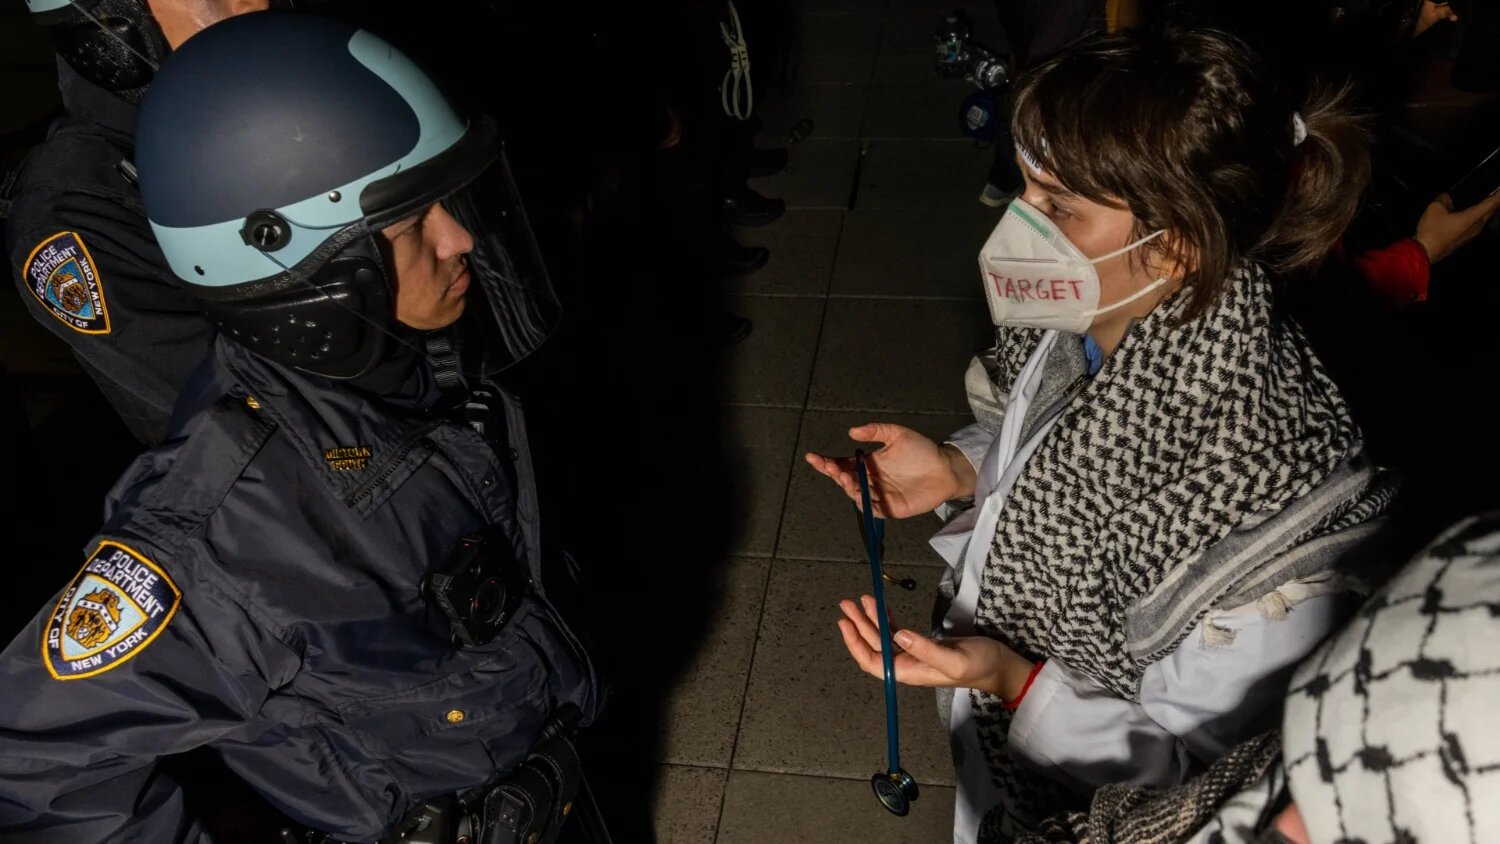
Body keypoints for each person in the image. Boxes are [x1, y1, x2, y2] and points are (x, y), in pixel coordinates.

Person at [0, 12, 595, 843]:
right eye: (411, 223)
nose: (461, 238)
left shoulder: (423, 360)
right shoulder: (235, 519)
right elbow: (27, 766)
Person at [808, 26, 1397, 842]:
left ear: (1176, 247)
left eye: (1058, 206)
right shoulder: (1090, 312)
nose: (1021, 221)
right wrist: (959, 467)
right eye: (1025, 186)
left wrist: (1015, 684)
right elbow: (1061, 447)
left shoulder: (1262, 513)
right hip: (1004, 751)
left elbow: (1194, 795)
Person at [1012, 509, 1500, 844]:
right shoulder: (1301, 764)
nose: (1278, 820)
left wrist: (1016, 686)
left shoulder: (1273, 612)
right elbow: (1143, 818)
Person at [4, 0, 268, 446]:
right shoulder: (75, 222)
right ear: (108, 36)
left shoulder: (272, 121)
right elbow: (265, 426)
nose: (258, 5)